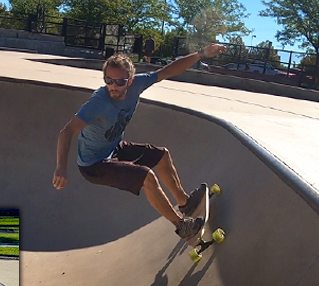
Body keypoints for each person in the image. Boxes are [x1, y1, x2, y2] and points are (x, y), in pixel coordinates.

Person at [52, 43, 226, 241]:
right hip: (93, 165)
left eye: (119, 82)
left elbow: (168, 70)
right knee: (147, 177)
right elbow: (67, 131)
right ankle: (181, 226)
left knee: (162, 155)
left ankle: (185, 202)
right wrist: (61, 167)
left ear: (130, 80)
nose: (113, 87)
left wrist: (200, 54)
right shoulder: (98, 102)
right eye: (108, 80)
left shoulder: (139, 84)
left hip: (114, 148)